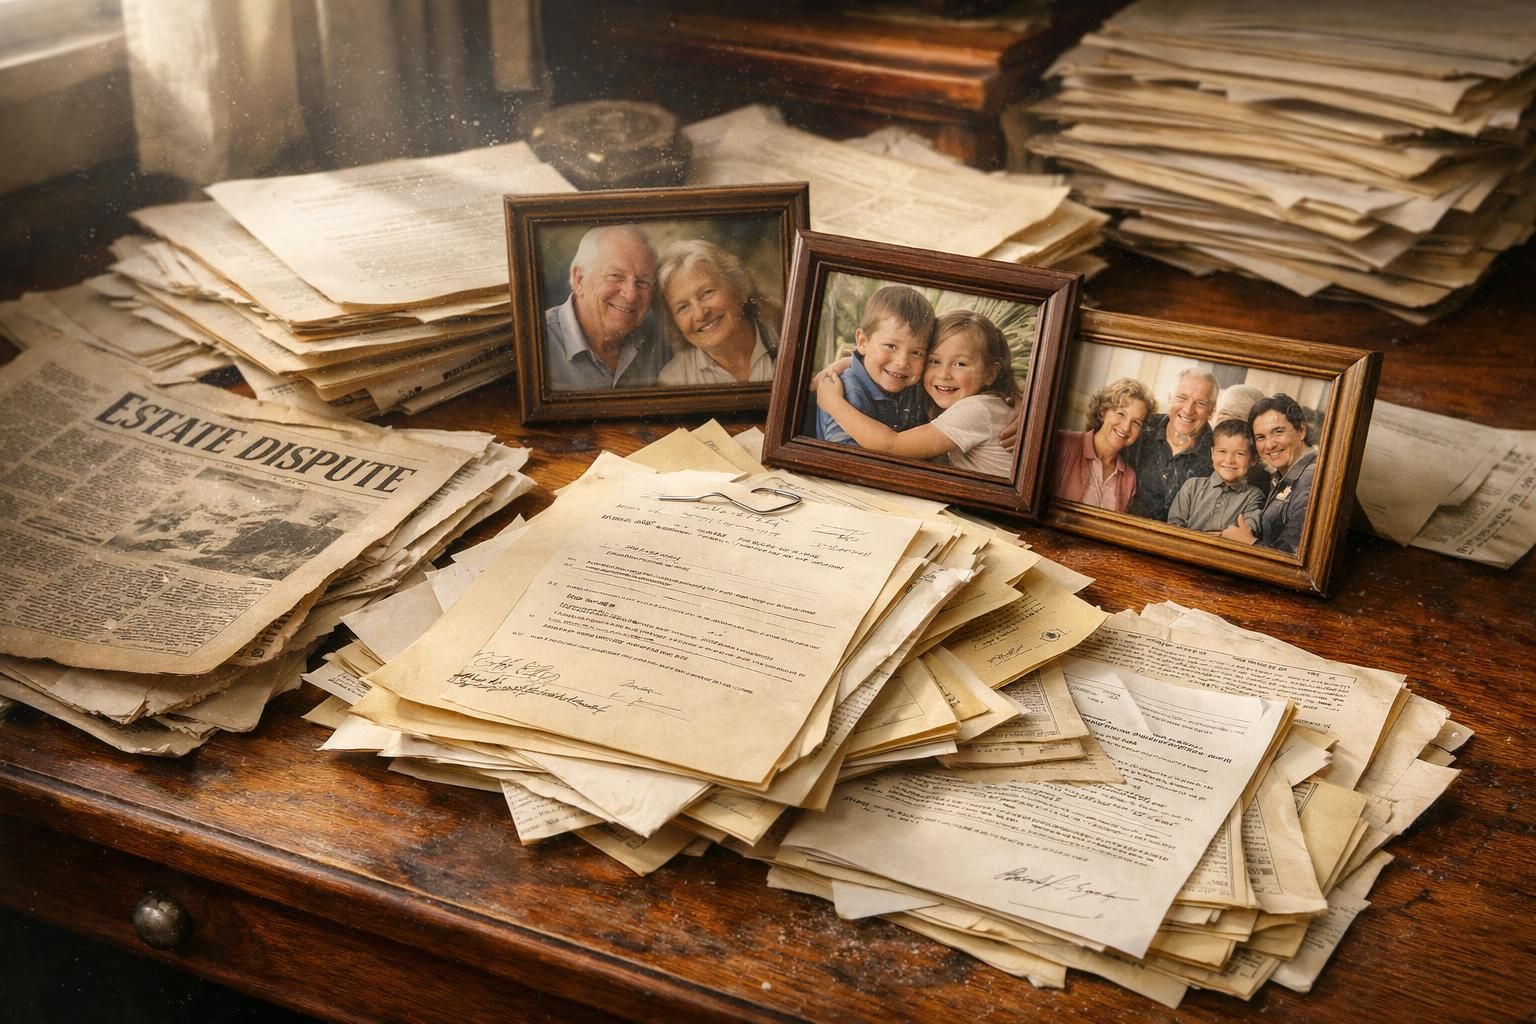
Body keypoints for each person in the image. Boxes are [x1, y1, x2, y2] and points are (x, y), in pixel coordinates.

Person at [813, 310, 1020, 478]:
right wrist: (851, 363)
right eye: (934, 361)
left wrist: (833, 402)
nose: (944, 374)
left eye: (960, 364)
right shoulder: (996, 401)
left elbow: (891, 445)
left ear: (991, 373)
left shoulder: (976, 410)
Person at [542, 224, 671, 391]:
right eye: (615, 276)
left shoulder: (662, 338)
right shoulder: (538, 341)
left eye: (642, 282)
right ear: (579, 279)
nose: (631, 295)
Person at [814, 284, 936, 445]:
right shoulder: (848, 391)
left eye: (916, 353)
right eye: (891, 346)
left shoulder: (913, 386)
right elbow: (844, 459)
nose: (902, 362)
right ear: (863, 342)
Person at [655, 239, 780, 386]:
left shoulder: (786, 333)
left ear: (739, 288)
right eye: (682, 307)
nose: (700, 314)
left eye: (707, 293)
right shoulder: (674, 380)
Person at [1220, 394, 1318, 553]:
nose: (1270, 444)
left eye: (1278, 431)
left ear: (1301, 430)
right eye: (1260, 437)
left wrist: (1249, 542)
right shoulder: (1285, 476)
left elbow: (1295, 557)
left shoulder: (1311, 478)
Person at [1122, 367, 1218, 522]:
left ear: (1211, 410)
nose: (1188, 410)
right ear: (1170, 397)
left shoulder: (1219, 453)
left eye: (1200, 403)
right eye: (1182, 397)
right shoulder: (1141, 427)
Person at [1050, 378, 1155, 512]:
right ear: (1103, 412)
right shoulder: (1064, 443)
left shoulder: (1129, 478)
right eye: (1121, 414)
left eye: (1136, 423)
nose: (1125, 427)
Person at [1167, 418, 1264, 534]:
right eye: (1222, 451)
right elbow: (1174, 528)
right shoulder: (1192, 487)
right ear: (1212, 453)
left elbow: (1244, 535)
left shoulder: (1254, 496)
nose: (1229, 460)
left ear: (1253, 460)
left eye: (1240, 454)